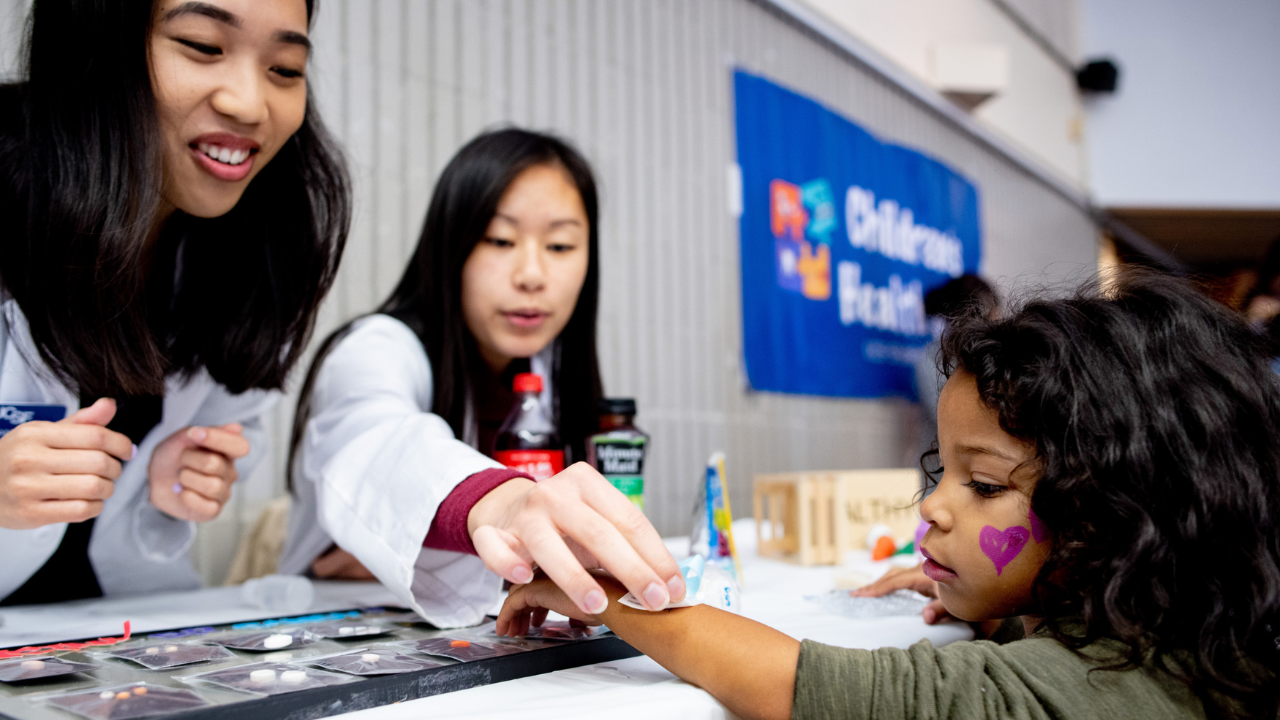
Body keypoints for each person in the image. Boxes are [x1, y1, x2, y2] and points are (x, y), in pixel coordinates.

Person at [498, 271, 1280, 720]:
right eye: (943, 475)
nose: (934, 508)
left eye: (983, 485)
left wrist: (607, 597)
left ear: (1121, 516)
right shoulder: (1174, 637)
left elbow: (801, 686)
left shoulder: (1099, 697)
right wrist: (1003, 596)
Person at [0, 0, 349, 604]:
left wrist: (166, 498)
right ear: (95, 45)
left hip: (92, 645)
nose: (248, 103)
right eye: (203, 46)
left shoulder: (256, 250)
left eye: (285, 69)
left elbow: (133, 545)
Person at [281, 128, 684, 628]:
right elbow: (381, 443)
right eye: (500, 239)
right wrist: (509, 503)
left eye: (560, 245)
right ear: (450, 247)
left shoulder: (549, 377)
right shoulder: (374, 350)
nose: (532, 274)